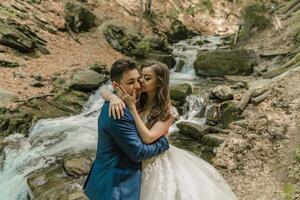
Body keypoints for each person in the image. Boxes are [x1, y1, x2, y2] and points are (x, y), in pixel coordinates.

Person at [102, 60, 238, 200]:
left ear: (159, 83)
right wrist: (112, 97)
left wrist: (131, 108)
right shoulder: (135, 98)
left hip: (155, 161)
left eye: (147, 78)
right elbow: (104, 91)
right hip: (136, 159)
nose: (140, 81)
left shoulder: (168, 111)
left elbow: (148, 138)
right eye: (140, 76)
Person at [83, 58, 170, 200]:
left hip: (114, 176)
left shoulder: (128, 99)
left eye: (139, 79)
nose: (138, 85)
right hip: (115, 185)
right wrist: (164, 143)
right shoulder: (120, 111)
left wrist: (112, 96)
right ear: (117, 86)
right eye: (131, 82)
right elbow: (138, 152)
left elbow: (105, 91)